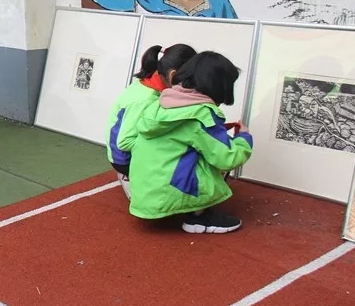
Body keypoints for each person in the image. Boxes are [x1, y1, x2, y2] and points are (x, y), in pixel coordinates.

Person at [129, 51, 253, 234]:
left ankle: (179, 207)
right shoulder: (201, 113)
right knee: (216, 157)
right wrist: (244, 138)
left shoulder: (161, 102)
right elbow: (228, 158)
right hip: (167, 195)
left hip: (143, 194)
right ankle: (199, 217)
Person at [107, 43, 196, 199]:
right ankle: (131, 178)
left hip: (127, 152)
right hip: (124, 160)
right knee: (186, 157)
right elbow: (124, 142)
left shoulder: (152, 81)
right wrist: (167, 143)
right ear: (173, 75)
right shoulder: (145, 99)